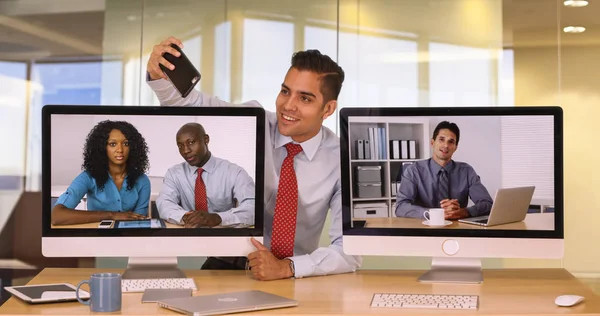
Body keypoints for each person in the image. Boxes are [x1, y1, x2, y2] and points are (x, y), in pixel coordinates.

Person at [146, 36, 361, 280]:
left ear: (328, 109)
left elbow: (350, 250)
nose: (288, 106)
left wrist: (288, 268)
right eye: (285, 91)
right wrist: (159, 76)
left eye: (305, 98)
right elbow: (191, 104)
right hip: (226, 265)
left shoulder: (341, 159)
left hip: (292, 273)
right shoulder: (255, 122)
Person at [156, 122, 255, 270]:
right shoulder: (174, 173)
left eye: (191, 142)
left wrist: (216, 218)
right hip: (191, 242)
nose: (186, 150)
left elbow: (253, 208)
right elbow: (164, 202)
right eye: (180, 146)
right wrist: (186, 216)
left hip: (227, 249)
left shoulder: (234, 172)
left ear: (206, 140)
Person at [51, 120, 151, 225]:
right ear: (102, 147)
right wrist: (112, 215)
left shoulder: (142, 180)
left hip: (128, 238)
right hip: (96, 237)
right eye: (112, 144)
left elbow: (139, 221)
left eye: (126, 143)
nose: (120, 149)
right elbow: (56, 216)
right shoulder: (88, 177)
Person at [395, 121, 493, 220]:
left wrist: (464, 212)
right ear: (432, 143)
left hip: (457, 229)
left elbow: (487, 204)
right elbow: (401, 207)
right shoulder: (414, 171)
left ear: (455, 147)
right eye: (441, 139)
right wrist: (433, 213)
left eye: (451, 142)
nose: (446, 145)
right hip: (424, 230)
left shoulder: (466, 171)